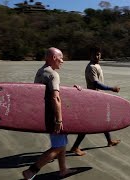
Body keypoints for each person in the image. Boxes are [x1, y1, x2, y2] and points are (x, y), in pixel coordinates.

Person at [22, 47, 81, 179]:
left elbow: (47, 94)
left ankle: (63, 170)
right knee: (58, 147)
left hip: (45, 113)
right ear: (54, 58)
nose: (62, 61)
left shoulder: (41, 71)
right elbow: (55, 97)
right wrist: (59, 120)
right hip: (53, 115)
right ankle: (31, 171)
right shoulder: (53, 74)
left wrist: (73, 92)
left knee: (61, 144)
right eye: (61, 58)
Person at [70, 46, 121, 156]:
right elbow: (96, 84)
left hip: (99, 98)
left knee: (104, 120)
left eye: (98, 54)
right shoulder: (91, 67)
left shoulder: (97, 65)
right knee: (87, 124)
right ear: (90, 55)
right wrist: (111, 88)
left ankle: (109, 141)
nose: (97, 56)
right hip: (93, 100)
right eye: (95, 54)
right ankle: (75, 147)